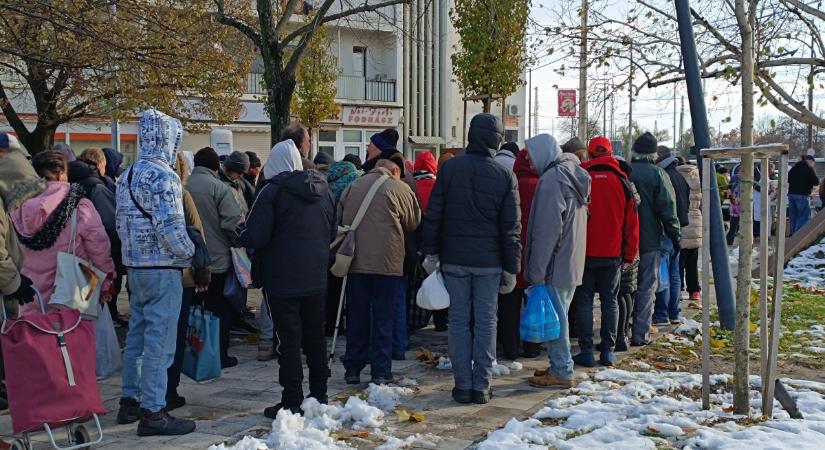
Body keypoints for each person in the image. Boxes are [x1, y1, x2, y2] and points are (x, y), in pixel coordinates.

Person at [422, 113, 520, 404]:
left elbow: (434, 214)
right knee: (487, 321)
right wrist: (512, 268)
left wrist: (431, 252)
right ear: (497, 139)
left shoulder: (450, 169)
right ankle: (482, 386)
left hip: (454, 259)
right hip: (490, 262)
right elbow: (511, 229)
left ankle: (462, 385)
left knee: (459, 322)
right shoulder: (505, 175)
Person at [115, 109, 195, 436]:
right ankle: (153, 412)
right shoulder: (165, 177)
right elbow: (171, 231)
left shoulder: (129, 174)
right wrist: (191, 252)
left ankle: (129, 400)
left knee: (137, 335)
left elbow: (120, 224)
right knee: (160, 343)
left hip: (134, 268)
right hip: (162, 270)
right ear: (169, 138)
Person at [239, 146, 335, 418]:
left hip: (281, 280)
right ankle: (319, 394)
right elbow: (331, 230)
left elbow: (255, 236)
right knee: (315, 336)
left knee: (289, 340)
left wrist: (240, 230)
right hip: (316, 277)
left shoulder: (272, 192)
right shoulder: (325, 191)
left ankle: (292, 399)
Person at [339, 155, 420, 385]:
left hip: (356, 262)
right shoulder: (399, 188)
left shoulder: (353, 186)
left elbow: (340, 218)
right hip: (387, 263)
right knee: (384, 317)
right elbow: (413, 222)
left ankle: (353, 367)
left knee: (357, 316)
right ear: (395, 171)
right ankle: (381, 371)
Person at [522, 133, 590, 388]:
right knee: (558, 315)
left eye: (530, 154)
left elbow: (547, 229)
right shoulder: (573, 175)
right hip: (569, 261)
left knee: (556, 319)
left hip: (554, 264)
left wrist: (536, 269)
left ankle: (562, 370)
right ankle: (558, 364)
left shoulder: (552, 179)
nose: (528, 160)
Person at [12, 151, 114, 313]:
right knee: (73, 336)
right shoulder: (78, 205)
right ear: (61, 174)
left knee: (36, 334)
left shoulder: (19, 207)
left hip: (31, 293)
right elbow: (98, 246)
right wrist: (107, 280)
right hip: (72, 292)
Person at [571, 137, 639, 368]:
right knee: (610, 301)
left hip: (584, 252)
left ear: (589, 154)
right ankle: (608, 351)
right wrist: (629, 254)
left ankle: (587, 350)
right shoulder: (623, 181)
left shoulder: (581, 177)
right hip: (613, 253)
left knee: (584, 302)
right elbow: (632, 224)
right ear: (610, 154)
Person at [187, 147, 244, 368]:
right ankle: (218, 354)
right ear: (214, 166)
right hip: (216, 260)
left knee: (192, 308)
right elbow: (232, 223)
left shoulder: (182, 186)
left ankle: (190, 350)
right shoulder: (219, 188)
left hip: (188, 260)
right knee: (219, 309)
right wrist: (240, 244)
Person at [165, 152, 209, 412]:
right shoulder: (180, 193)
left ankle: (138, 394)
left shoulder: (134, 188)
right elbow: (196, 232)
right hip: (180, 276)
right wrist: (203, 272)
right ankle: (169, 390)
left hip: (141, 274)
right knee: (175, 335)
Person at [253, 139, 305, 360]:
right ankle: (295, 348)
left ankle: (267, 342)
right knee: (298, 306)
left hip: (274, 259)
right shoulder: (311, 188)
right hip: (303, 260)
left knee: (271, 302)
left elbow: (258, 232)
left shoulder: (267, 190)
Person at [629, 132, 680, 346]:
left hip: (624, 240)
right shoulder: (658, 175)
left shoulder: (625, 172)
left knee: (623, 289)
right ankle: (641, 334)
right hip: (650, 241)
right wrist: (675, 236)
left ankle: (619, 332)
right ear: (653, 153)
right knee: (646, 287)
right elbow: (668, 209)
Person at [68, 150, 125, 325]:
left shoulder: (68, 183)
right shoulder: (97, 186)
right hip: (95, 250)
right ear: (99, 164)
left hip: (71, 250)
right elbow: (109, 223)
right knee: (97, 298)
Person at [508, 149, 542, 359]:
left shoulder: (508, 183)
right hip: (534, 251)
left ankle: (510, 347)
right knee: (534, 302)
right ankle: (532, 346)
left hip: (512, 250)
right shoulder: (541, 185)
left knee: (510, 303)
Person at [323, 160, 361, 337]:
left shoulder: (325, 182)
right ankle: (343, 323)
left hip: (328, 240)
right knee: (346, 285)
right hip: (346, 239)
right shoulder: (354, 182)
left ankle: (329, 323)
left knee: (331, 285)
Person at [653, 148, 690, 326]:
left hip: (664, 229)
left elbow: (664, 206)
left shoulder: (662, 177)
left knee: (662, 274)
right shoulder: (680, 177)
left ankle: (661, 313)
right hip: (678, 229)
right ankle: (674, 312)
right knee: (675, 273)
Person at [615, 156, 640, 352]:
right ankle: (623, 333)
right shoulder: (630, 188)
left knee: (620, 294)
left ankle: (620, 335)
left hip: (624, 250)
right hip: (631, 249)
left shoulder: (624, 189)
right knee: (626, 292)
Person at [677, 159, 702, 302]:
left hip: (681, 220)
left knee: (678, 261)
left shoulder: (674, 176)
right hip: (695, 219)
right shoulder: (697, 176)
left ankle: (678, 289)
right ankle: (694, 291)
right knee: (693, 260)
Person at [788, 155, 819, 234]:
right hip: (802, 195)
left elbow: (788, 179)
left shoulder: (793, 168)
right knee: (803, 217)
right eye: (813, 163)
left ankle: (793, 235)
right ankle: (797, 236)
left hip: (791, 195)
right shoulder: (808, 169)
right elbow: (816, 182)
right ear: (810, 161)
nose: (813, 165)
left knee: (793, 217)